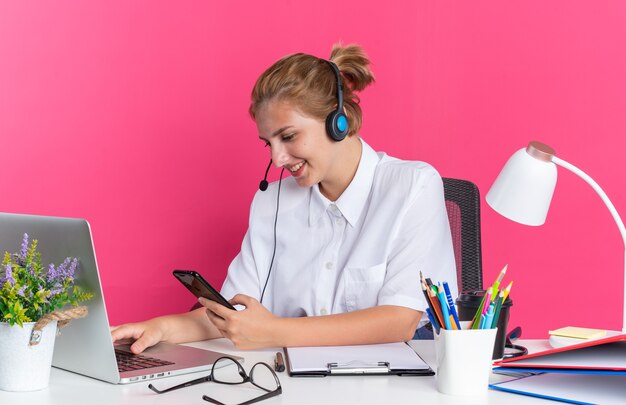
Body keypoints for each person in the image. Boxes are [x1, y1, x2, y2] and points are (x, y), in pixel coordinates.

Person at [111, 44, 457, 353]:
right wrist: (160, 328)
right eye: (268, 143)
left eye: (288, 136)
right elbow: (235, 315)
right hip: (293, 385)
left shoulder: (412, 186)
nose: (277, 158)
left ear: (337, 121)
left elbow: (400, 320)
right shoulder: (271, 203)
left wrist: (274, 332)